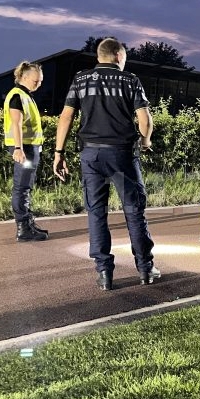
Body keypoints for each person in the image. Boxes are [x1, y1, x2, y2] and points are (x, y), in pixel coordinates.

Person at [53, 38, 160, 291]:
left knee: (96, 213)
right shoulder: (130, 80)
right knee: (134, 211)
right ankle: (145, 268)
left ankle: (104, 273)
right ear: (117, 55)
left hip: (91, 156)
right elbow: (144, 119)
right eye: (124, 57)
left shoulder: (80, 79)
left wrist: (58, 152)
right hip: (122, 155)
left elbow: (66, 116)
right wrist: (145, 140)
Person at [4, 61, 48, 242]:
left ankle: (27, 223)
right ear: (24, 77)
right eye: (36, 81)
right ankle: (23, 228)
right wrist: (18, 148)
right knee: (22, 187)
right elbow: (16, 123)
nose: (38, 84)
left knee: (25, 186)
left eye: (40, 82)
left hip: (28, 147)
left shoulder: (24, 95)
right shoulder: (17, 96)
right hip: (25, 148)